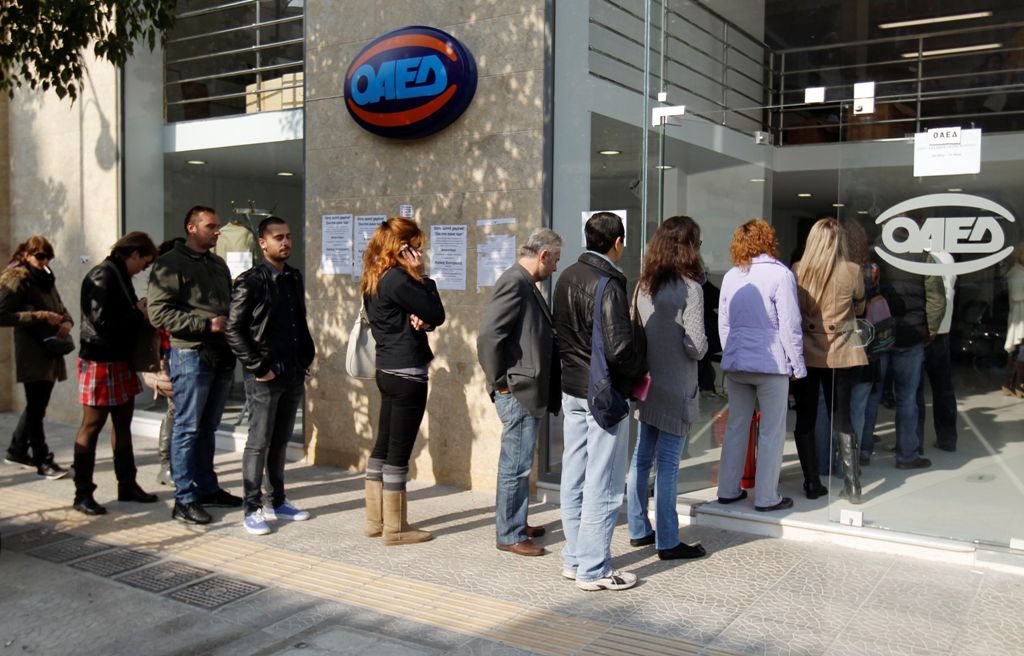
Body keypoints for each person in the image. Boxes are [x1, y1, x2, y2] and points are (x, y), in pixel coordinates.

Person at [553, 211, 647, 592]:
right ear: (617, 242)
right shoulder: (608, 283)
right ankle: (593, 569)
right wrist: (641, 365)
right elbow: (619, 347)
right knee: (604, 483)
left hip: (573, 388)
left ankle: (574, 558)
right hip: (603, 394)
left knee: (574, 474)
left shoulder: (566, 277)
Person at [148, 205, 243, 525]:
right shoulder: (169, 263)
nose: (217, 231)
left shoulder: (217, 264)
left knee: (208, 428)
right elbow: (158, 313)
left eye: (217, 226)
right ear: (191, 228)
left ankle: (207, 488)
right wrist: (206, 324)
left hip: (221, 355)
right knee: (187, 427)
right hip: (190, 355)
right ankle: (184, 499)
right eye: (210, 226)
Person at [226, 216, 316, 535]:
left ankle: (277, 500)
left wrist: (304, 359)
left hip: (293, 371)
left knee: (280, 441)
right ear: (263, 243)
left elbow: (297, 321)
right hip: (264, 374)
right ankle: (252, 508)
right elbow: (233, 330)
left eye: (288, 236)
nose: (286, 242)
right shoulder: (250, 280)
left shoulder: (293, 276)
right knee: (259, 442)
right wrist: (258, 367)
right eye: (278, 237)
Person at [626, 216, 708, 561]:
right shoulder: (691, 288)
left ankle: (637, 528)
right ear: (689, 247)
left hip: (647, 384)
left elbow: (634, 329)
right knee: (669, 465)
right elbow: (697, 346)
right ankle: (668, 539)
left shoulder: (644, 284)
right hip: (677, 387)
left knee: (642, 457)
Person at [477, 228, 563, 557]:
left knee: (520, 463)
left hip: (524, 390)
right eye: (555, 259)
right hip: (518, 392)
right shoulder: (514, 282)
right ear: (543, 255)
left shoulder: (525, 283)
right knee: (515, 466)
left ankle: (516, 522)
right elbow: (489, 337)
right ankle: (510, 534)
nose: (555, 266)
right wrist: (500, 382)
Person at [361, 217, 445, 546]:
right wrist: (422, 276)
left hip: (386, 369)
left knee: (383, 445)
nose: (420, 253)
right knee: (398, 452)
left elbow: (416, 319)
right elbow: (436, 313)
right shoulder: (399, 278)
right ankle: (395, 529)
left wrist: (421, 321)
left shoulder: (374, 276)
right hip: (408, 371)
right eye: (416, 246)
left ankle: (375, 521)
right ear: (404, 247)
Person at [716, 219, 805, 512]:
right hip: (770, 364)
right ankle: (766, 497)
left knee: (736, 427)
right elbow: (789, 325)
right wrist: (797, 365)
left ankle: (728, 489)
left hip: (738, 362)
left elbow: (724, 323)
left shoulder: (731, 276)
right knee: (771, 431)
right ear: (768, 240)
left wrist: (732, 352)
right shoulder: (781, 274)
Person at [71, 232, 161, 515]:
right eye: (144, 263)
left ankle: (127, 485)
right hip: (100, 359)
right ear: (133, 254)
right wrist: (138, 313)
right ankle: (83, 493)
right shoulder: (103, 275)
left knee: (123, 424)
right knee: (92, 425)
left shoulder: (117, 274)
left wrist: (136, 310)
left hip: (117, 358)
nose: (143, 269)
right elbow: (101, 321)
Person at [792, 218, 866, 504]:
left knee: (805, 417)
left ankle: (812, 482)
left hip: (808, 353)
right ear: (839, 242)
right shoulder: (852, 271)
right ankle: (853, 485)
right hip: (841, 352)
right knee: (843, 417)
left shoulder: (798, 270)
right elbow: (861, 304)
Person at [0, 236, 73, 479]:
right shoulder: (17, 278)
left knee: (37, 405)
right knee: (36, 407)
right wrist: (40, 316)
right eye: (40, 256)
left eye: (48, 257)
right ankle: (43, 460)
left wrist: (67, 321)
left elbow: (59, 305)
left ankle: (17, 450)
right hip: (32, 350)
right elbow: (2, 315)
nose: (44, 262)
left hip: (50, 348)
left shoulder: (46, 277)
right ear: (26, 254)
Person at [876, 227, 945, 469]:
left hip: (881, 332)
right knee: (907, 398)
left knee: (872, 395)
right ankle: (907, 455)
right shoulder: (924, 257)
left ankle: (862, 453)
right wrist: (931, 330)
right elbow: (937, 299)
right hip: (912, 334)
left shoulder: (877, 254)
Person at [917, 251, 959, 451]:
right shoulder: (947, 257)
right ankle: (947, 438)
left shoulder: (920, 256)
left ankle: (913, 443)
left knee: (914, 391)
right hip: (942, 330)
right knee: (943, 388)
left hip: (924, 330)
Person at [1003, 244, 1024, 397]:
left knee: (1018, 350)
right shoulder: (1017, 273)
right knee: (1019, 350)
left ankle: (1011, 383)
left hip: (1020, 317)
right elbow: (1017, 295)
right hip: (1020, 318)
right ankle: (1017, 383)